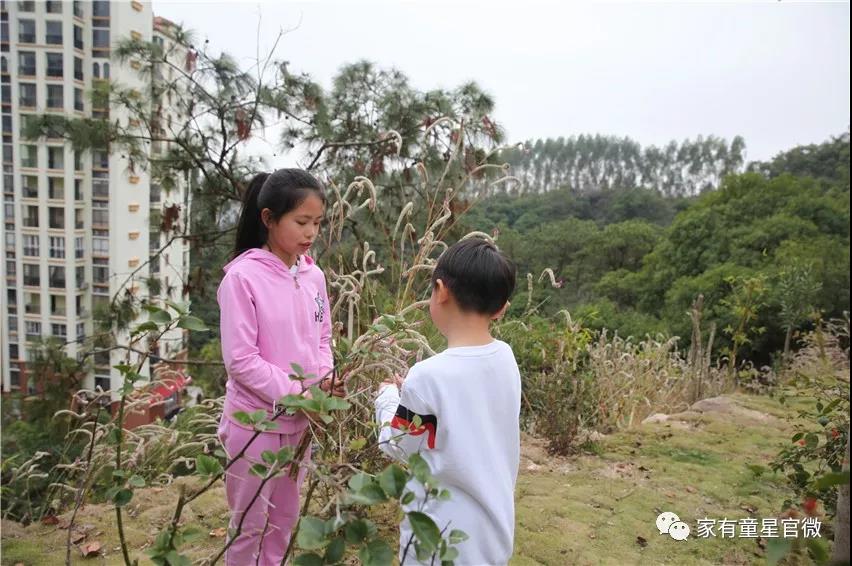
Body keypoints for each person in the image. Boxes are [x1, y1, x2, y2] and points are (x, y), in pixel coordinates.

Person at [217, 169, 341, 565]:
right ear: (269, 219)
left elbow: (323, 338)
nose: (311, 233)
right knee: (248, 527)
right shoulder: (242, 279)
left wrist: (322, 383)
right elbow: (241, 361)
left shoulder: (313, 275)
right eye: (301, 222)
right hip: (254, 425)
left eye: (317, 223)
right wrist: (302, 393)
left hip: (300, 424)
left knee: (284, 521)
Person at [375, 238, 521, 565]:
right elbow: (470, 407)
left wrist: (387, 398)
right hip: (493, 530)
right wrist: (413, 394)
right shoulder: (505, 357)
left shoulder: (427, 376)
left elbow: (398, 445)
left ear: (440, 291)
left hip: (437, 534)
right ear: (501, 308)